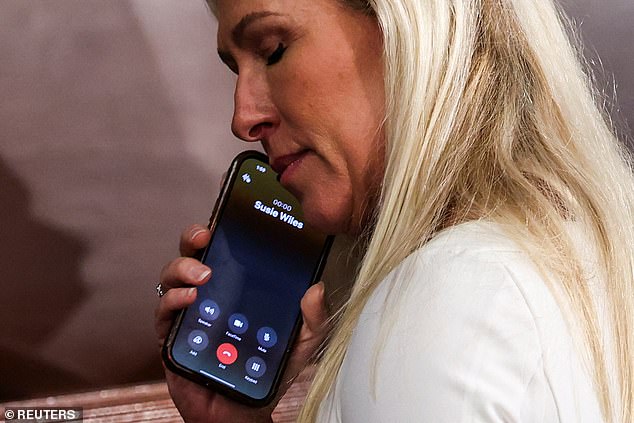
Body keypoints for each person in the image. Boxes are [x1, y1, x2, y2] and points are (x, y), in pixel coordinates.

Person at [154, 0, 634, 421]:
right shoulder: (575, 254)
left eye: (273, 48)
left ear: (406, 24)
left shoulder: (444, 295)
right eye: (235, 70)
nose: (244, 117)